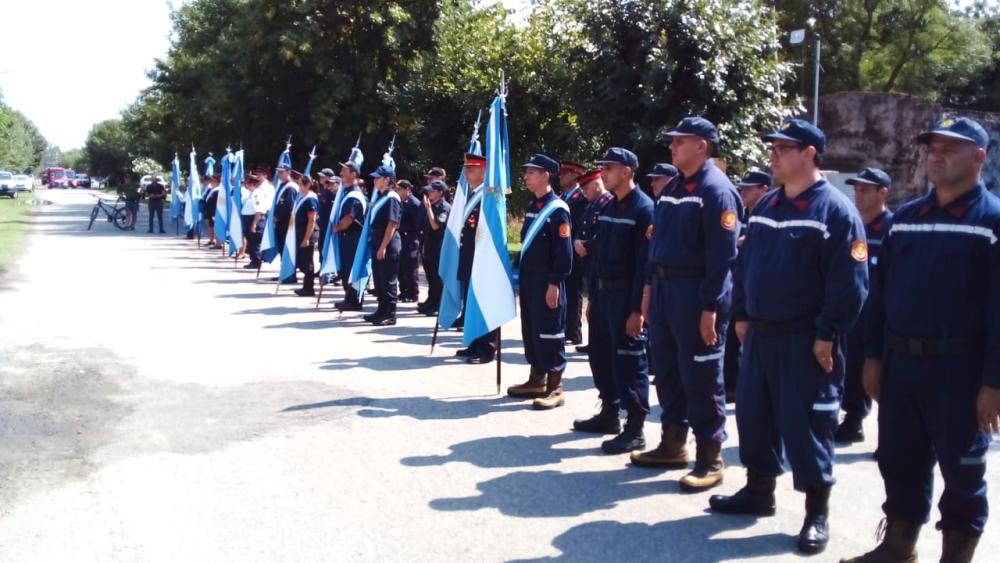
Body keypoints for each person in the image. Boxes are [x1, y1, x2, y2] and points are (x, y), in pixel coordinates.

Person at [841, 117, 1000, 563]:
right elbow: (880, 297)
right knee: (899, 460)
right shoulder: (907, 219)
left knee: (963, 472)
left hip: (961, 371)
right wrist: (872, 357)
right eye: (933, 147)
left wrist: (994, 383)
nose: (937, 155)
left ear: (978, 158)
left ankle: (955, 556)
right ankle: (898, 546)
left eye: (951, 148)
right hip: (902, 366)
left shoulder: (992, 222)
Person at [709, 119, 868, 556]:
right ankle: (759, 491)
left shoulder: (835, 211)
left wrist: (827, 333)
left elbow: (850, 284)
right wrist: (741, 313)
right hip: (760, 335)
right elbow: (746, 266)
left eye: (783, 148)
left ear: (810, 154)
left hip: (806, 340)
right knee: (756, 418)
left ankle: (817, 512)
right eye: (773, 147)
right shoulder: (767, 205)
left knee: (807, 426)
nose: (773, 155)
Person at [631, 117, 740, 493]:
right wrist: (647, 291)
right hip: (664, 290)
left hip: (696, 294)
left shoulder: (716, 191)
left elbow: (722, 257)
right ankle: (672, 443)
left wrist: (710, 307)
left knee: (702, 376)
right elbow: (657, 243)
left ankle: (710, 457)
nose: (672, 147)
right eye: (672, 141)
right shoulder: (674, 187)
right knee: (668, 369)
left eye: (680, 142)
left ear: (702, 146)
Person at [570, 148, 654, 454]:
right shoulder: (607, 206)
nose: (603, 172)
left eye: (610, 167)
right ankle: (609, 412)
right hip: (604, 293)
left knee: (629, 360)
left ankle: (635, 427)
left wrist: (637, 310)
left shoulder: (644, 209)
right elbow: (601, 254)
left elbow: (644, 266)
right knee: (601, 356)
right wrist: (593, 297)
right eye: (602, 167)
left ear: (628, 171)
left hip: (625, 296)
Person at [506, 154, 573, 410]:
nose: (526, 177)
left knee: (550, 331)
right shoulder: (533, 207)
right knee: (532, 329)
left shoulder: (557, 210)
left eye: (531, 172)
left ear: (546, 175)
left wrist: (555, 283)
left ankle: (555, 386)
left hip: (548, 280)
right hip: (530, 280)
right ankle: (537, 379)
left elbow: (563, 251)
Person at [835, 167, 892, 445]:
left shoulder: (892, 229)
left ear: (883, 193)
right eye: (856, 189)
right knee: (849, 364)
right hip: (851, 311)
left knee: (876, 370)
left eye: (865, 189)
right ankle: (853, 417)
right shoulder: (851, 225)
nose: (858, 194)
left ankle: (884, 432)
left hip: (878, 313)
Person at [723, 170, 772, 402]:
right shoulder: (742, 217)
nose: (743, 192)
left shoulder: (769, 217)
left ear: (764, 189)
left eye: (748, 188)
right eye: (742, 188)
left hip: (759, 295)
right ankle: (732, 386)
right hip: (737, 289)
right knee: (733, 340)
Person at [454, 153, 498, 364]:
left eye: (470, 169)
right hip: (469, 256)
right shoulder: (473, 194)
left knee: (484, 302)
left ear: (483, 171)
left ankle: (487, 346)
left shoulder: (489, 196)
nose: (466, 173)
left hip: (482, 259)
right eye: (466, 169)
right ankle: (474, 341)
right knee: (471, 301)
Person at [571, 169, 614, 355]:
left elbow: (604, 233)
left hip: (600, 260)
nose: (583, 193)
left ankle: (601, 343)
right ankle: (594, 341)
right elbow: (583, 227)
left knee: (599, 305)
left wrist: (586, 245)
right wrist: (577, 242)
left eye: (586, 188)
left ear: (597, 185)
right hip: (590, 261)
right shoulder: (592, 204)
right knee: (593, 304)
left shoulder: (607, 203)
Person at [363, 165, 402, 326]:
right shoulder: (379, 196)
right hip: (377, 240)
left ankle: (390, 313)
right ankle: (381, 310)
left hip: (388, 243)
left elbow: (392, 224)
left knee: (388, 280)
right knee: (379, 279)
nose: (374, 180)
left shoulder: (392, 197)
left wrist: (383, 246)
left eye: (377, 178)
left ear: (387, 180)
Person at [558, 160, 588, 346]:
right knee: (564, 290)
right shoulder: (563, 197)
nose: (560, 177)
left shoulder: (581, 198)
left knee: (572, 291)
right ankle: (564, 327)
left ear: (575, 175)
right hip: (563, 250)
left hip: (573, 251)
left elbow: (578, 225)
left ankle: (574, 332)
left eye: (564, 173)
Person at [333, 161, 367, 312]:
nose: (341, 173)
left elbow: (349, 218)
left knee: (352, 269)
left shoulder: (355, 195)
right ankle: (349, 298)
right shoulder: (347, 191)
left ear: (353, 174)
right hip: (347, 237)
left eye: (344, 171)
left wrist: (337, 227)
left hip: (353, 237)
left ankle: (354, 301)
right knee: (345, 269)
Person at [417, 180, 451, 316]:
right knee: (430, 276)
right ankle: (431, 301)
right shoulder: (431, 205)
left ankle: (438, 305)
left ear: (440, 193)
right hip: (428, 246)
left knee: (437, 278)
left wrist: (429, 209)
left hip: (438, 247)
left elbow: (436, 225)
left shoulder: (444, 207)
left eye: (432, 191)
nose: (429, 193)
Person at [396, 179, 423, 303]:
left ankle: (413, 293)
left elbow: (417, 223)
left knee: (410, 267)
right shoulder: (402, 202)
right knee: (401, 267)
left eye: (400, 189)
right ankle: (404, 291)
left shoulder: (414, 203)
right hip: (402, 237)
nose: (398, 192)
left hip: (410, 238)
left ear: (407, 189)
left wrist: (402, 227)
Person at [292, 173, 319, 297]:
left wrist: (307, 238)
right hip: (300, 231)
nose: (299, 187)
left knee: (307, 261)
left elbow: (312, 220)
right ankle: (306, 286)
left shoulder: (311, 199)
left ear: (308, 185)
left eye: (301, 185)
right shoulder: (303, 197)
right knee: (302, 260)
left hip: (307, 233)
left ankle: (309, 287)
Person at [273, 165, 299, 283]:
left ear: (288, 172)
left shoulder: (291, 188)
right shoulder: (282, 186)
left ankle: (290, 274)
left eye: (282, 172)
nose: (279, 174)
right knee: (281, 248)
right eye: (278, 172)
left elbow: (290, 207)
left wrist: (278, 216)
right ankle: (284, 272)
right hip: (279, 222)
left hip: (286, 223)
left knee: (287, 248)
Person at [246, 169, 274, 270]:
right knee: (251, 239)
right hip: (254, 215)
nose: (258, 176)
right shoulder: (256, 189)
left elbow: (262, 206)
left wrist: (255, 222)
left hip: (260, 215)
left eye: (260, 174)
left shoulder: (264, 189)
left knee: (255, 239)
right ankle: (253, 259)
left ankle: (256, 261)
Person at [316, 168, 340, 271]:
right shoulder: (323, 190)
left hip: (329, 224)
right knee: (321, 246)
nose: (320, 178)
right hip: (322, 223)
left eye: (323, 176)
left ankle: (328, 269)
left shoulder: (331, 192)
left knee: (328, 246)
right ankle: (322, 266)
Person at [202, 176, 220, 247]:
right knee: (210, 226)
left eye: (214, 181)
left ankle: (217, 242)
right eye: (211, 181)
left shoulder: (218, 190)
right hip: (208, 210)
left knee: (215, 226)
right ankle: (211, 240)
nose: (212, 183)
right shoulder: (210, 189)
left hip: (214, 211)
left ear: (218, 182)